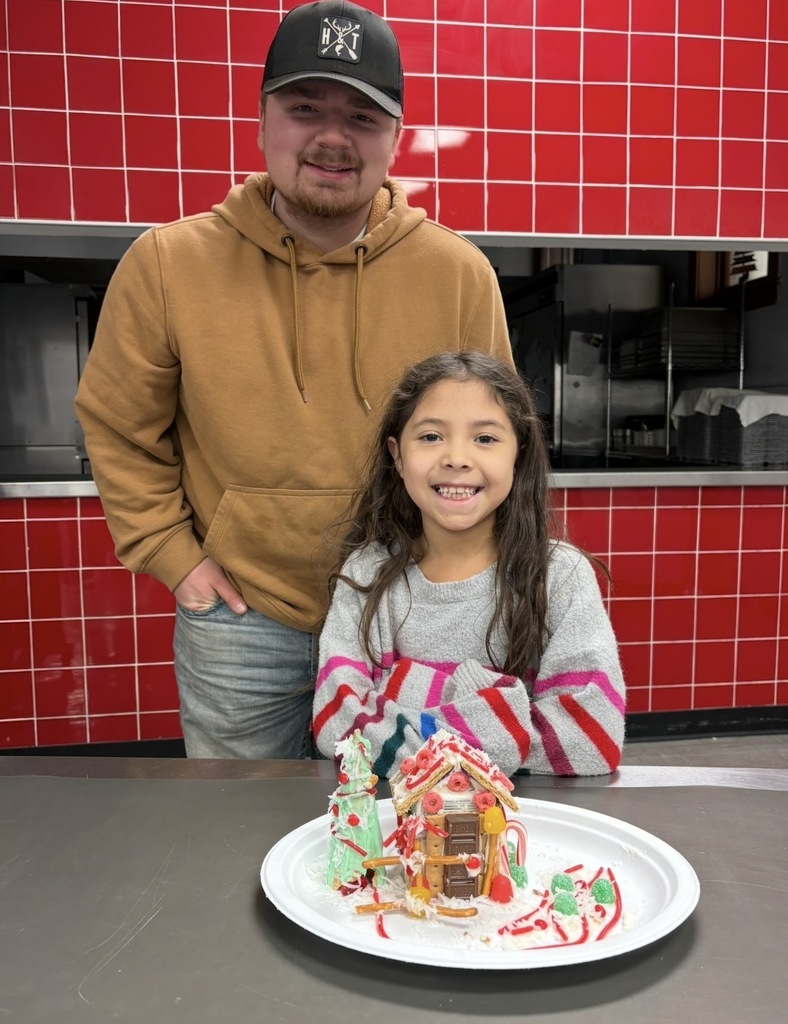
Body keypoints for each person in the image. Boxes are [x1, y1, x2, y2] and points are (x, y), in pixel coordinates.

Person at [74, 1, 512, 760]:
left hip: (410, 610)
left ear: (394, 137)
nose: (332, 138)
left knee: (404, 828)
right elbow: (120, 428)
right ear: (263, 118)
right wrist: (174, 559)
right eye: (305, 107)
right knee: (234, 840)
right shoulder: (167, 264)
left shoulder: (459, 274)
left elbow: (495, 446)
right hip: (243, 619)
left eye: (362, 116)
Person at [312, 352, 625, 778]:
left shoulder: (561, 576)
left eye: (485, 439)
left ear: (519, 453)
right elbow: (338, 725)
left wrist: (403, 690)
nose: (457, 458)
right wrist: (504, 703)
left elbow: (592, 738)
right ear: (397, 455)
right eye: (430, 437)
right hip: (394, 828)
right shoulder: (367, 572)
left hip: (524, 826)